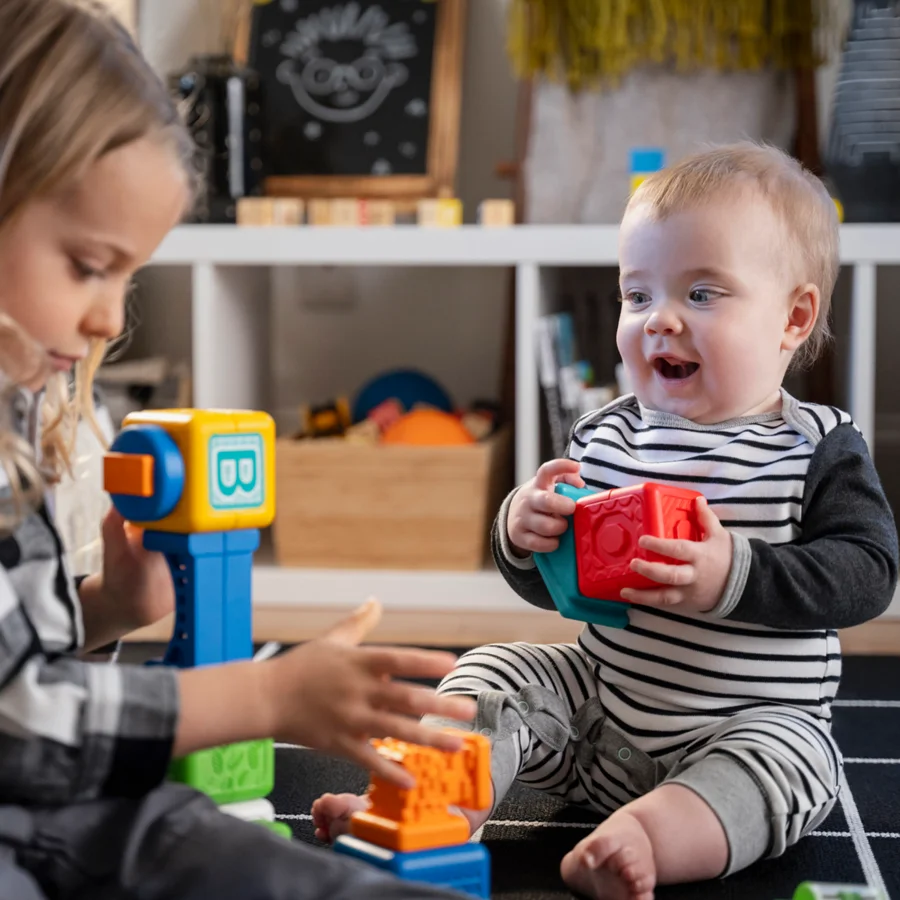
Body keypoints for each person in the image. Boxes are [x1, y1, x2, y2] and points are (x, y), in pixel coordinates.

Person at [312, 142, 899, 899]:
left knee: (794, 763)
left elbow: (869, 574)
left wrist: (733, 572)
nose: (660, 321)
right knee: (496, 668)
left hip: (746, 722)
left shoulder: (816, 445)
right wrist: (524, 534)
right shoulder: (607, 434)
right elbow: (560, 588)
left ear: (793, 317)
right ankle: (422, 806)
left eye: (702, 294)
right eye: (638, 294)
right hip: (599, 712)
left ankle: (647, 840)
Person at [0, 1, 477, 897]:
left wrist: (103, 606)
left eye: (128, 275)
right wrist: (268, 699)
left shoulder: (17, 402)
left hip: (56, 802)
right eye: (87, 265)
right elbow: (18, 720)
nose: (110, 316)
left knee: (205, 838)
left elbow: (12, 646)